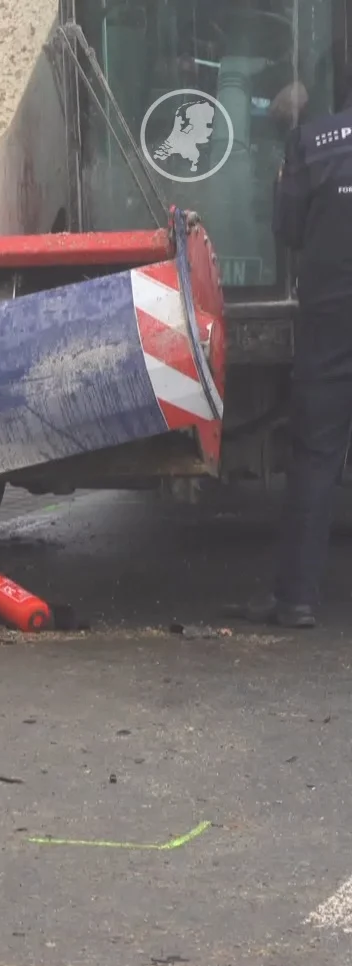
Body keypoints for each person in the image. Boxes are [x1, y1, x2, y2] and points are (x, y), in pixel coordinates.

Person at [239, 85, 352, 627]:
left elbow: (286, 232)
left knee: (316, 456)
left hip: (330, 320)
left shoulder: (313, 143)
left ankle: (296, 599)